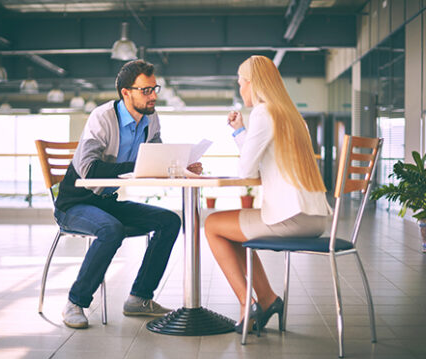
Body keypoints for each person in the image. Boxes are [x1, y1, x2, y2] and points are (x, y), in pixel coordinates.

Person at [54, 59, 202, 329]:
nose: (154, 95)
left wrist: (182, 166)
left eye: (154, 88)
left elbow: (155, 158)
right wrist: (140, 165)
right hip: (74, 204)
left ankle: (139, 298)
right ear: (126, 92)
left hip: (107, 202)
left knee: (169, 221)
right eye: (146, 90)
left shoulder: (151, 118)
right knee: (112, 230)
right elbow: (88, 169)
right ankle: (75, 302)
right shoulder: (102, 117)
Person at [204, 55, 332, 334]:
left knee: (212, 225)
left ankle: (245, 303)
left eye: (242, 83)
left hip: (292, 219)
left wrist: (239, 134)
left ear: (253, 83)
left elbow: (245, 169)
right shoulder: (293, 116)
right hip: (316, 219)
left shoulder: (264, 112)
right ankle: (268, 299)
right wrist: (241, 132)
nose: (241, 90)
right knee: (231, 230)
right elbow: (265, 165)